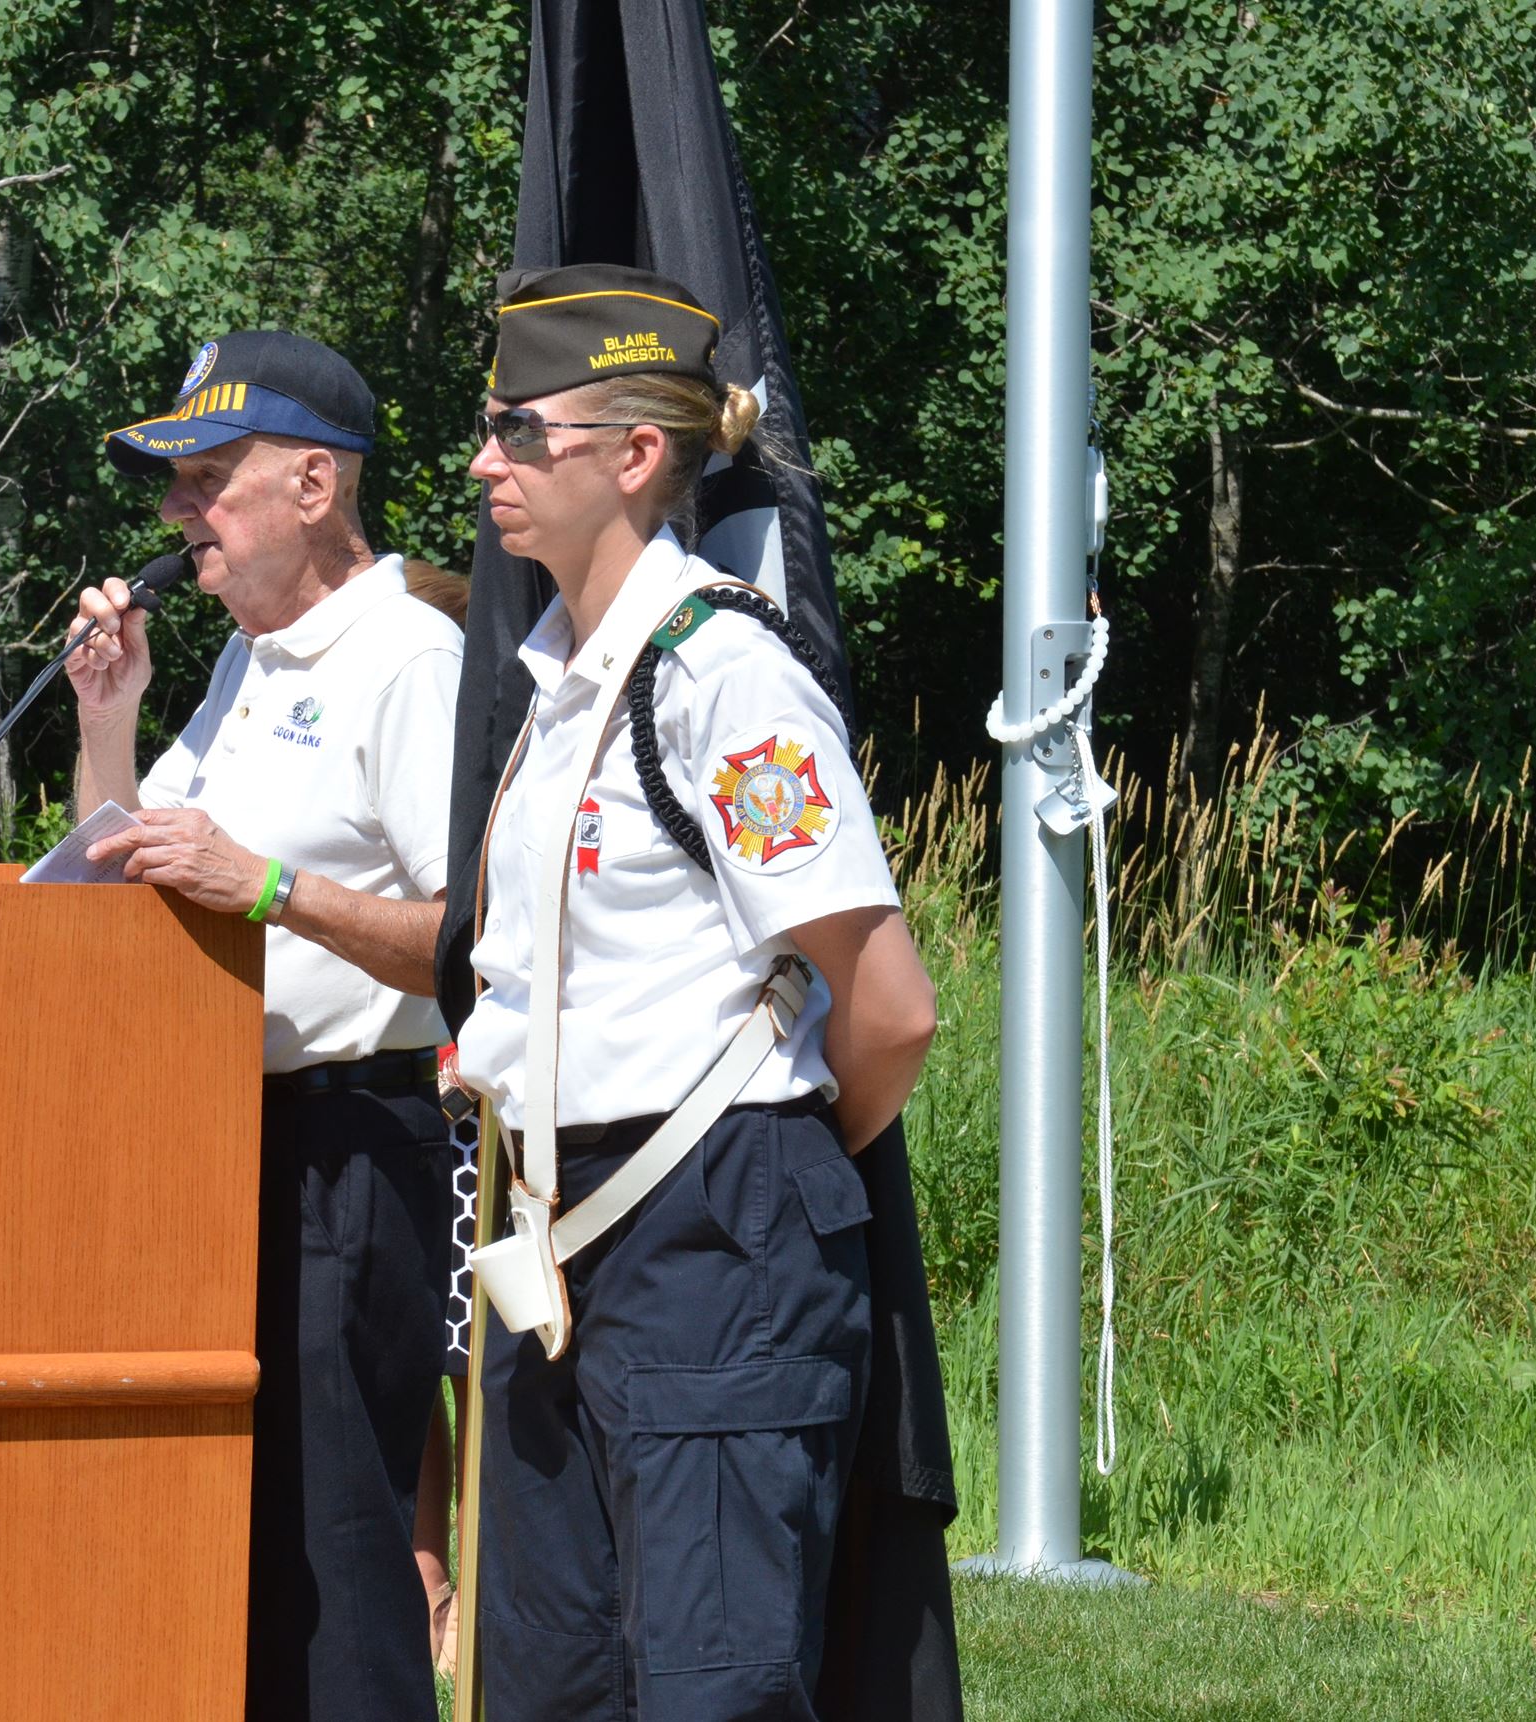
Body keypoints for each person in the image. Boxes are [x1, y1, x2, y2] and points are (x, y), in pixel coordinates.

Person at [451, 264, 940, 1721]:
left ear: (635, 456)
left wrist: (763, 1178)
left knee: (710, 1691)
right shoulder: (556, 677)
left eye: (520, 433)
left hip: (714, 1234)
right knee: (554, 1683)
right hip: (568, 1238)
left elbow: (891, 1007)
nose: (486, 462)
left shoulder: (720, 671)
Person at [67, 332, 461, 1722]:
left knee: (337, 1552)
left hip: (352, 1153)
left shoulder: (408, 654)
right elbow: (128, 858)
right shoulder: (254, 655)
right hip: (223, 1141)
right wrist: (106, 723)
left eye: (208, 480)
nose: (179, 513)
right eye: (172, 486)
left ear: (314, 482)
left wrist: (275, 890)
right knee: (244, 1543)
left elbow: (470, 937)